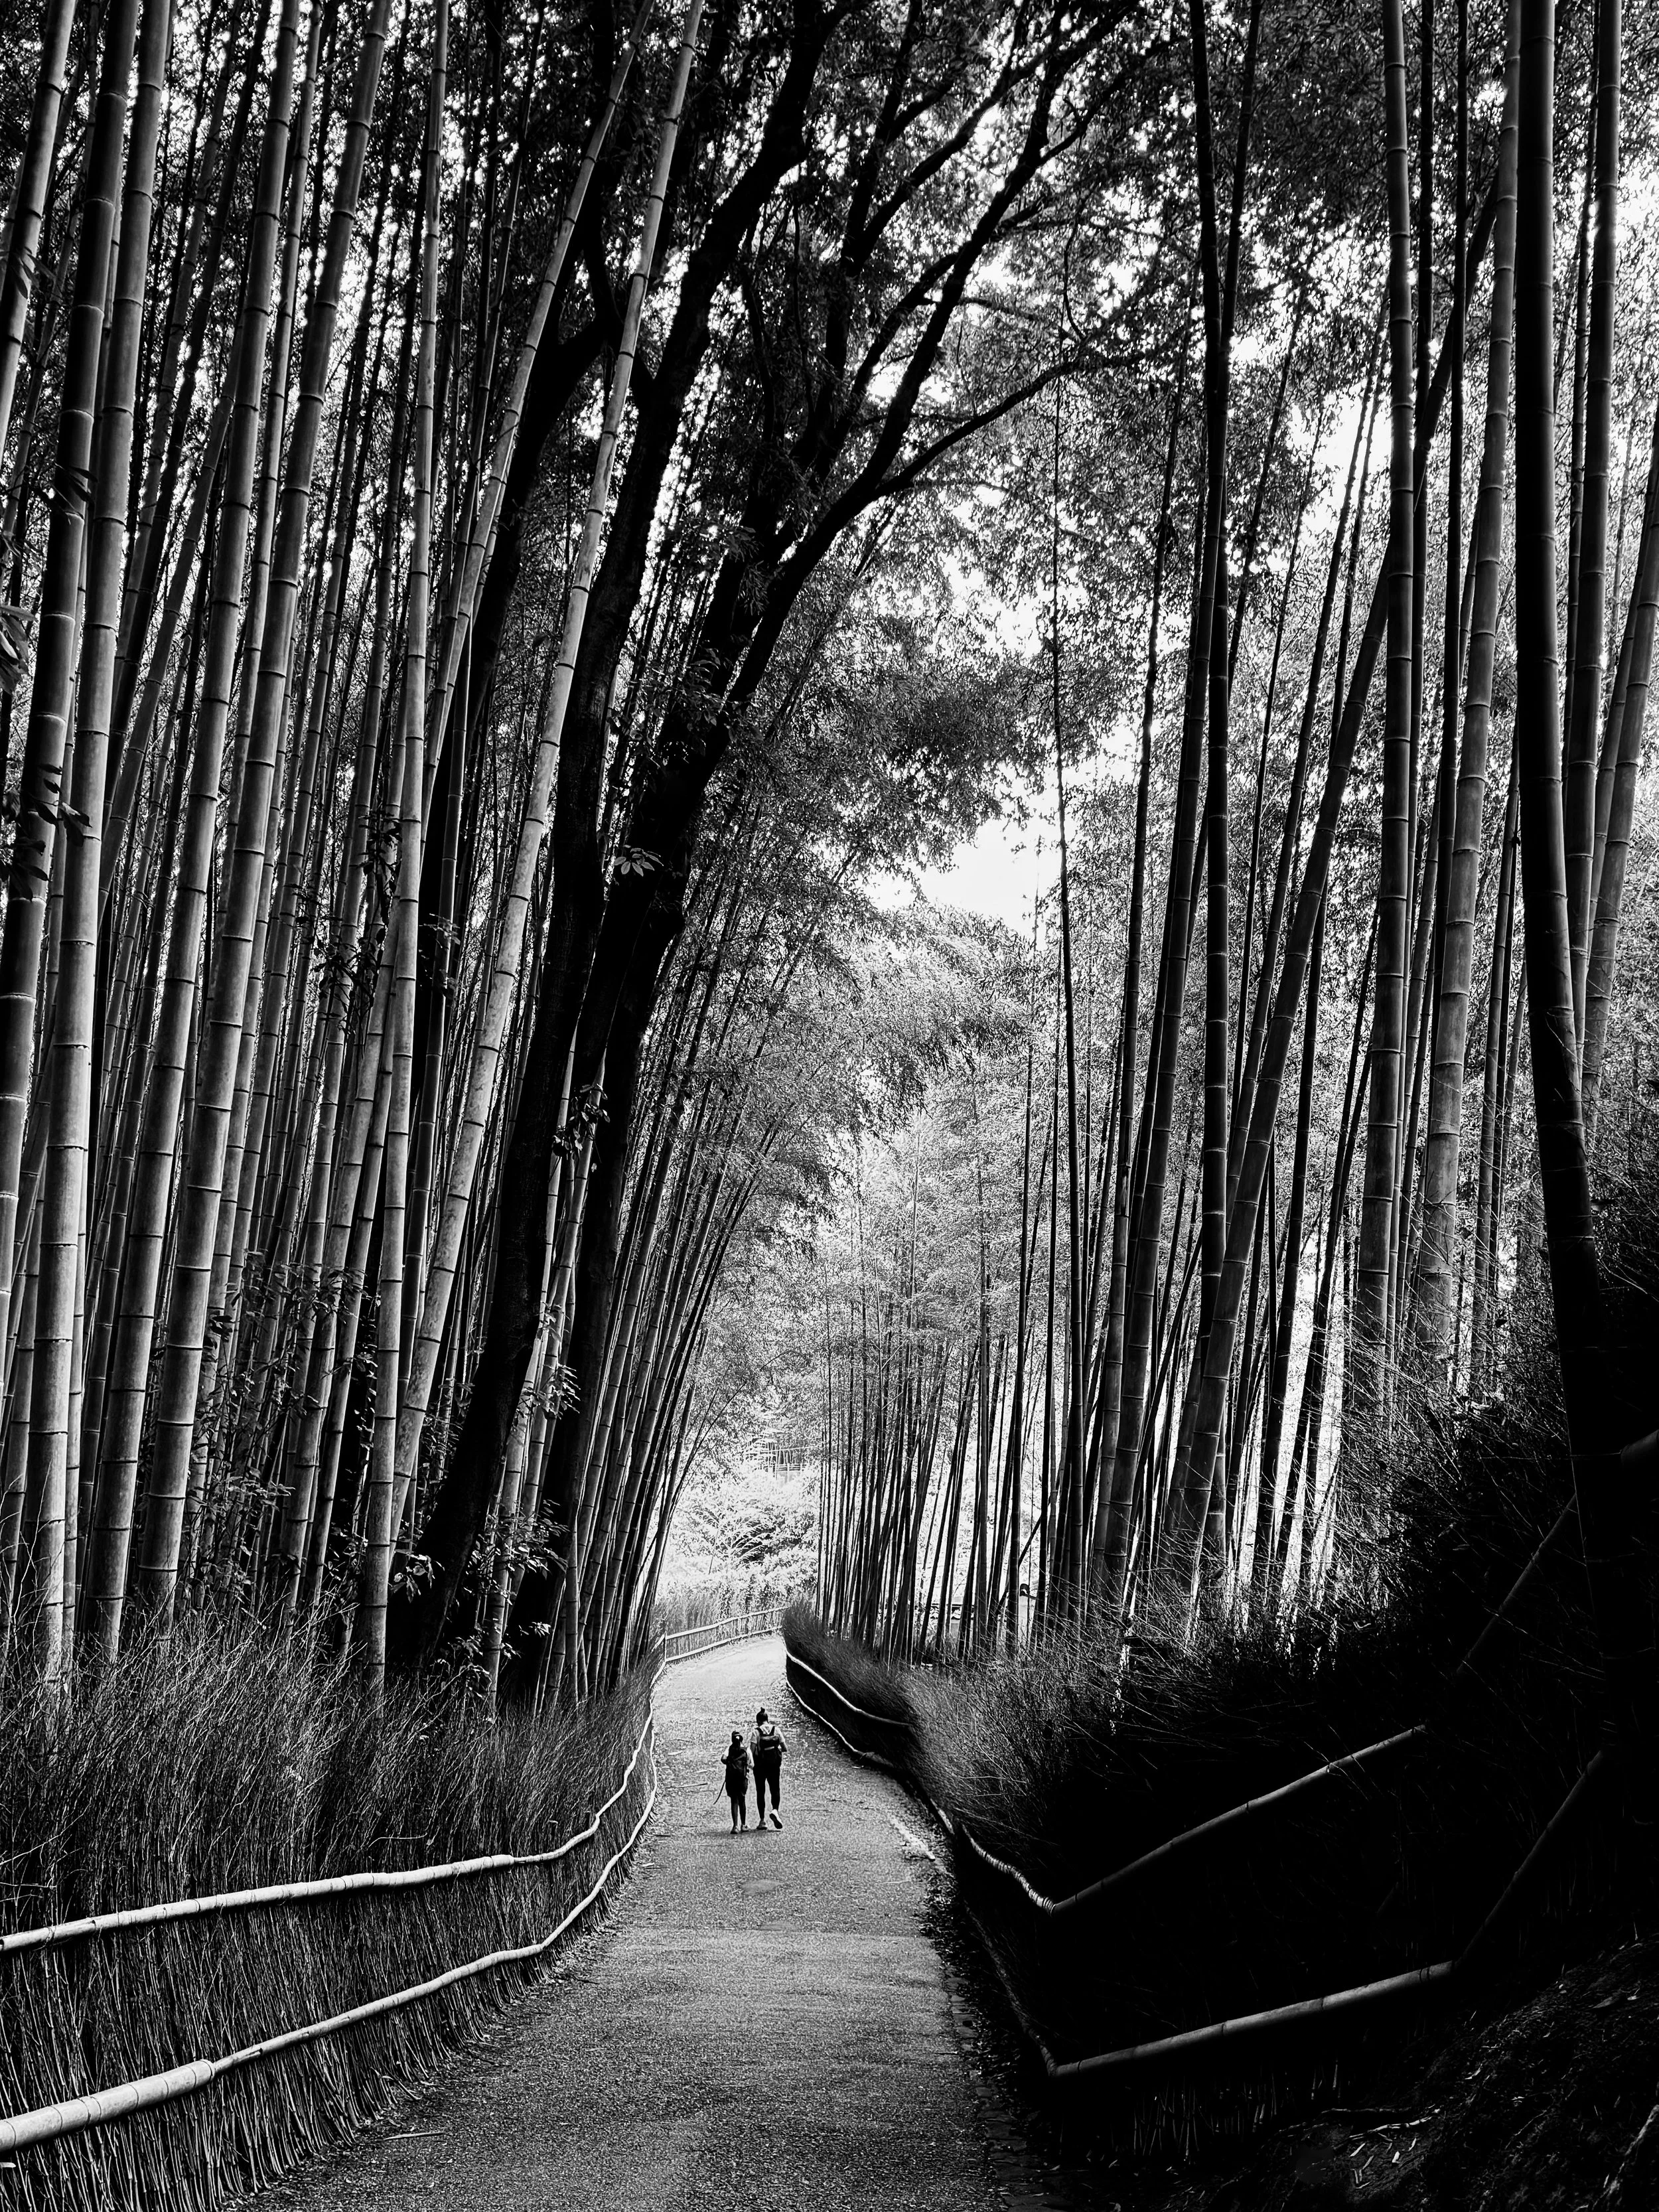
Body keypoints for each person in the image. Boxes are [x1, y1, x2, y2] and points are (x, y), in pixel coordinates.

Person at [751, 1707, 786, 1829]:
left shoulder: (756, 1732)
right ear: (767, 1719)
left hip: (760, 1766)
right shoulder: (776, 1730)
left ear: (758, 1721)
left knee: (761, 1792)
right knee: (775, 1789)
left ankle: (762, 1821)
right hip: (774, 1765)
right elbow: (785, 1748)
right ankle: (775, 1810)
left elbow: (752, 1751)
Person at [721, 1730, 751, 1832]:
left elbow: (723, 1759)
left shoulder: (729, 1749)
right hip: (743, 1779)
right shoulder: (746, 1750)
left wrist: (730, 1763)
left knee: (734, 1801)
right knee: (742, 1800)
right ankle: (743, 1825)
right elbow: (752, 1764)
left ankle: (735, 1826)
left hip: (731, 1779)